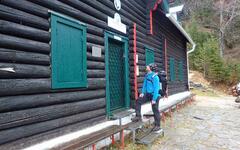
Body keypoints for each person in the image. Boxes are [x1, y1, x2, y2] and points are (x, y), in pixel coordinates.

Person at [131, 63, 163, 133]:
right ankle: (138, 116)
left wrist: (154, 99)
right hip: (148, 94)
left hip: (155, 95)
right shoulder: (147, 76)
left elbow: (156, 89)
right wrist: (142, 92)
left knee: (155, 110)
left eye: (148, 66)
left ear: (151, 68)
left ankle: (157, 125)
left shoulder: (155, 77)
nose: (146, 67)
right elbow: (144, 85)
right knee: (138, 101)